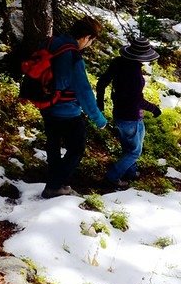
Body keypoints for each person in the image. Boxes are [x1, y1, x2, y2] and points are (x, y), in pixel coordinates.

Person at [40, 16, 108, 199]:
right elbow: (84, 91)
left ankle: (57, 183)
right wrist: (99, 119)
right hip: (67, 111)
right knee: (76, 148)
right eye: (91, 41)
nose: (90, 45)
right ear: (86, 37)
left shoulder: (53, 42)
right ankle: (54, 186)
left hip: (46, 105)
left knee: (53, 146)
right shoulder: (72, 55)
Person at [96, 36, 162, 189]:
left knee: (129, 146)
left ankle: (130, 172)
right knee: (134, 152)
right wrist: (154, 108)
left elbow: (102, 83)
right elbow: (137, 100)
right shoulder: (135, 75)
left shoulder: (118, 62)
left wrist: (100, 104)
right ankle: (112, 177)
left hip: (118, 113)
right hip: (132, 117)